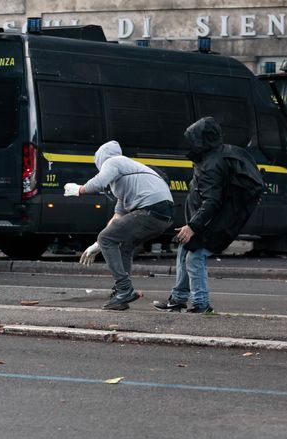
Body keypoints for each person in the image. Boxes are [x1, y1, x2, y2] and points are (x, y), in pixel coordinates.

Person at [64, 141, 174, 310]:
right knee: (124, 243)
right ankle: (121, 295)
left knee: (106, 238)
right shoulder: (127, 177)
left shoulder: (114, 161)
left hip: (151, 209)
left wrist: (78, 189)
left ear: (100, 159)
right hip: (164, 215)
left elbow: (98, 183)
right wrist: (97, 245)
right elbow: (118, 217)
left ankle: (124, 289)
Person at [154, 116, 227, 314]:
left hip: (204, 222)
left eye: (195, 139)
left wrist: (193, 226)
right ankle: (178, 299)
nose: (191, 143)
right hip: (199, 219)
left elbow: (212, 201)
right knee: (184, 253)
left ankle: (201, 304)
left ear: (204, 140)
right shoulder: (208, 159)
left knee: (194, 258)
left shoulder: (211, 164)